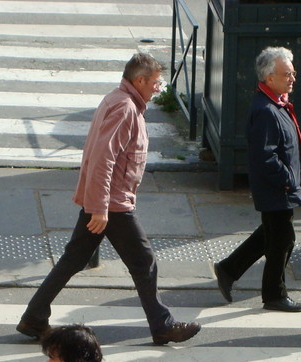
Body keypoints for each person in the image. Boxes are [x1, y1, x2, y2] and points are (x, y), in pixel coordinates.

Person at [16, 53, 200, 346]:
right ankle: (162, 325)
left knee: (74, 258)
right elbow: (104, 159)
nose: (158, 88)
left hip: (104, 201)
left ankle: (34, 316)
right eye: (155, 82)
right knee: (144, 262)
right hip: (112, 205)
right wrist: (100, 208)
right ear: (139, 80)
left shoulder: (120, 101)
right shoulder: (124, 108)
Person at [213, 47, 301, 312]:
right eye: (287, 74)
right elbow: (265, 156)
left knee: (271, 235)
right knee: (282, 241)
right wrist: (289, 179)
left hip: (280, 187)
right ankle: (274, 295)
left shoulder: (275, 103)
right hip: (276, 188)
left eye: (293, 73)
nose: (293, 79)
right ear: (269, 78)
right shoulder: (266, 110)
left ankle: (229, 269)